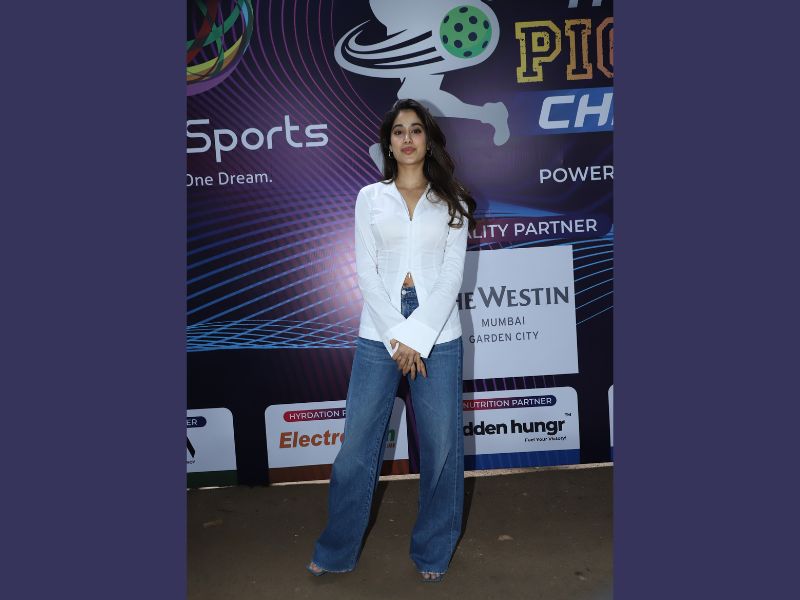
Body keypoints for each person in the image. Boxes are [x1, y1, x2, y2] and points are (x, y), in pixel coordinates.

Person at [307, 99, 477, 583]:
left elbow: (451, 278)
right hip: (378, 335)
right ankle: (336, 550)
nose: (407, 138)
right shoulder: (370, 197)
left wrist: (418, 338)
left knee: (442, 448)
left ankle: (433, 552)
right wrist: (398, 339)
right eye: (398, 131)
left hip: (439, 337)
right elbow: (365, 272)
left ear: (429, 140)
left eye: (416, 130)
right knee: (356, 447)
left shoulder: (454, 202)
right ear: (388, 142)